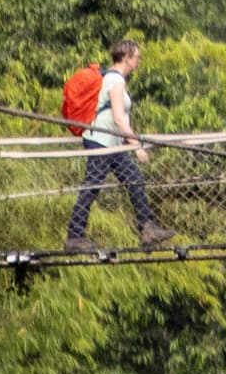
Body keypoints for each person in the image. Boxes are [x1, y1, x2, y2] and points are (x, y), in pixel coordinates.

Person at [65, 36, 168, 251]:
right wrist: (137, 147)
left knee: (134, 179)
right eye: (137, 57)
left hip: (113, 144)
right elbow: (119, 119)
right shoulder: (115, 81)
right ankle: (74, 237)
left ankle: (147, 228)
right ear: (126, 57)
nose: (138, 61)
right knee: (92, 186)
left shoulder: (115, 80)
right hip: (101, 142)